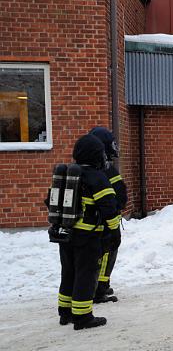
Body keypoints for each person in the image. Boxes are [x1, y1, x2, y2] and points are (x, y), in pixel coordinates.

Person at [57, 134, 117, 330]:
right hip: (88, 235)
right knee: (86, 273)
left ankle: (65, 312)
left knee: (69, 272)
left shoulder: (68, 174)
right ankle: (83, 317)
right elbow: (109, 208)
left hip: (65, 233)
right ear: (95, 155)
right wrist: (114, 232)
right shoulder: (97, 177)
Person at [89, 126, 126, 303]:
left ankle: (100, 284)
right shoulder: (105, 170)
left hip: (97, 220)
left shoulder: (90, 168)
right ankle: (99, 288)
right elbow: (119, 193)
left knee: (103, 254)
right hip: (106, 220)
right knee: (106, 254)